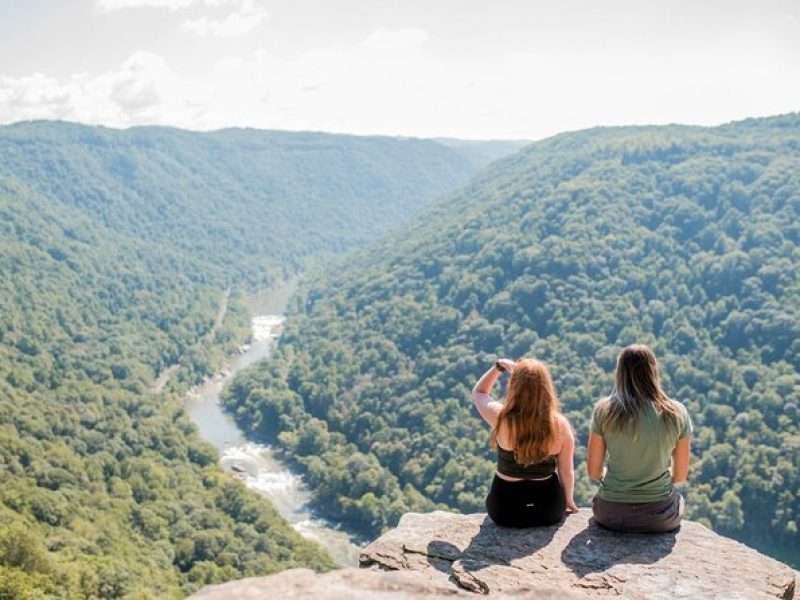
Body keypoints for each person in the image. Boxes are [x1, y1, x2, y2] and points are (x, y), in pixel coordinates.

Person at [587, 344, 692, 533]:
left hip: (611, 514)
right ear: (653, 372)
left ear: (620, 373)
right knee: (679, 500)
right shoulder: (676, 413)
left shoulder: (604, 411)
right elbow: (680, 476)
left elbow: (594, 472)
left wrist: (617, 480)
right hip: (660, 517)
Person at [473, 357, 578, 527]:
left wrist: (498, 367)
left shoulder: (501, 418)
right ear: (547, 388)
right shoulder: (560, 425)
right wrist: (568, 500)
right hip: (548, 511)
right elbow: (566, 471)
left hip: (504, 511)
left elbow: (480, 392)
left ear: (514, 387)